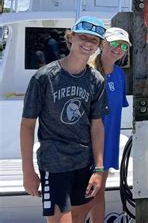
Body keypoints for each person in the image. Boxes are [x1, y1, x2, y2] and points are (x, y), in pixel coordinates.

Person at [20, 16, 107, 222]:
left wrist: (99, 169)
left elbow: (97, 126)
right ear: (71, 37)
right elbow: (27, 125)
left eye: (94, 40)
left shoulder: (96, 80)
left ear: (99, 46)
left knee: (78, 218)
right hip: (54, 164)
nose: (87, 43)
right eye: (83, 37)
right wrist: (28, 171)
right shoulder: (44, 77)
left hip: (83, 164)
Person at [87, 27, 131, 222]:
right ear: (102, 43)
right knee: (82, 196)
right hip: (87, 146)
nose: (118, 48)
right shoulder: (88, 72)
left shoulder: (120, 74)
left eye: (123, 45)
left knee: (99, 193)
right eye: (114, 43)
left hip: (108, 144)